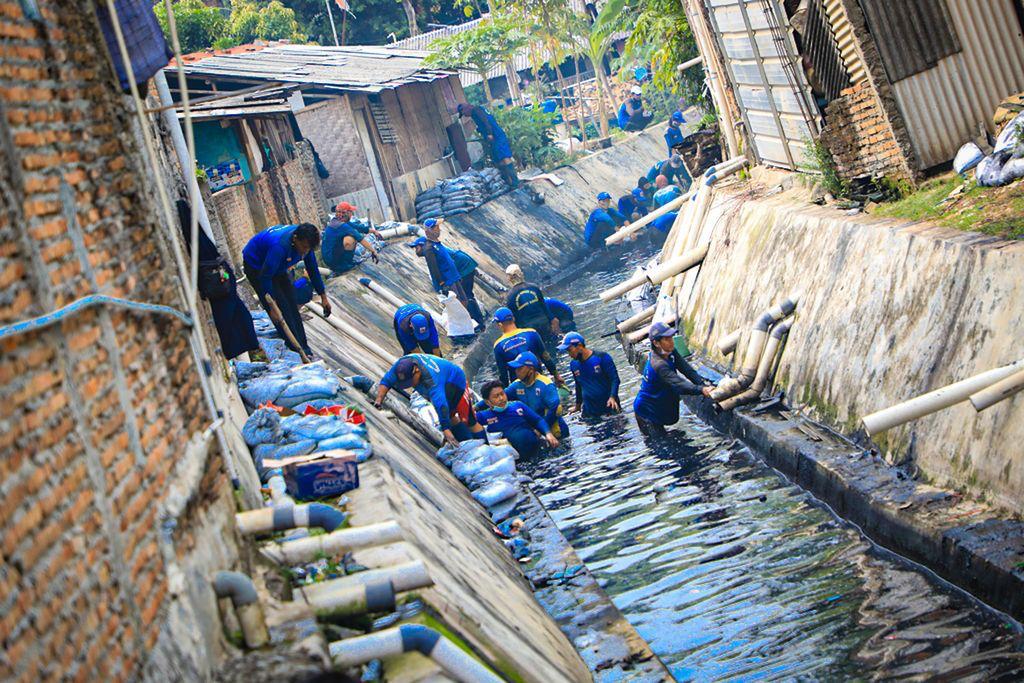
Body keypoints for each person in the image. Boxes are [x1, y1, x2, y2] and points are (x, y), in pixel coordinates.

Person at [242, 223, 327, 357]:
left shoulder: (306, 244)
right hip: (258, 266)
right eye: (304, 247)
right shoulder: (279, 247)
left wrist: (323, 297)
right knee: (282, 311)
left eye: (308, 248)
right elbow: (265, 277)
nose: (305, 251)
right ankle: (296, 350)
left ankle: (304, 348)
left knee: (291, 303)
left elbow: (313, 270)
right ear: (295, 239)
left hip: (279, 266)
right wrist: (272, 307)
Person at [375, 354, 485, 446]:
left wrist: (446, 429)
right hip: (439, 381)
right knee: (450, 415)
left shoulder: (432, 380)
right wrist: (378, 401)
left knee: (468, 420)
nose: (410, 385)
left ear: (417, 371)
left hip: (455, 382)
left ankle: (484, 447)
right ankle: (463, 442)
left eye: (411, 381)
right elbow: (386, 381)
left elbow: (441, 405)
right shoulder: (401, 365)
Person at [633, 322, 714, 435]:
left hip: (659, 405)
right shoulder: (658, 364)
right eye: (667, 339)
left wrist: (702, 384)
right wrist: (701, 390)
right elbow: (679, 384)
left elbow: (687, 369)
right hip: (647, 411)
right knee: (659, 441)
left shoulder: (670, 351)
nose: (671, 342)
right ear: (656, 343)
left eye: (671, 337)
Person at [409, 220, 485, 332]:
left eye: (416, 248)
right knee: (461, 303)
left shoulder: (435, 246)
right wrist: (442, 283)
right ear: (429, 231)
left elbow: (445, 264)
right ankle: (472, 327)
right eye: (436, 227)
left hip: (455, 276)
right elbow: (434, 268)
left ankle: (474, 325)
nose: (439, 229)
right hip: (451, 279)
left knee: (464, 301)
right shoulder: (430, 248)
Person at [477, 379, 558, 459]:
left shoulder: (518, 406)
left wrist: (548, 433)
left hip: (538, 449)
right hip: (513, 458)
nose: (501, 398)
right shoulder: (483, 417)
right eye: (496, 396)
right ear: (487, 402)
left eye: (502, 394)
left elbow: (537, 420)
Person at [492, 307, 562, 386]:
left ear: (500, 324)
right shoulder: (531, 333)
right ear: (513, 319)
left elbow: (503, 374)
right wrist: (556, 375)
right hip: (538, 380)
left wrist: (506, 390)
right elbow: (545, 357)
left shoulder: (498, 345)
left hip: (518, 386)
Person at [457, 103, 519, 189]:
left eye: (464, 113)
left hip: (497, 136)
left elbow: (485, 121)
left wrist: (489, 133)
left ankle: (515, 182)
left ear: (465, 109)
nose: (465, 116)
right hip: (494, 137)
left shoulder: (476, 110)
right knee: (499, 160)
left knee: (504, 158)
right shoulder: (476, 111)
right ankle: (508, 181)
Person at [506, 351, 568, 438]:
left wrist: (542, 430)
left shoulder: (545, 385)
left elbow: (556, 408)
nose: (516, 371)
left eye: (519, 368)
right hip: (537, 430)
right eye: (516, 368)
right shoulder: (517, 385)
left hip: (557, 432)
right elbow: (501, 396)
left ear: (531, 370)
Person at [559, 332, 621, 417]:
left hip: (609, 406)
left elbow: (615, 379)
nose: (569, 354)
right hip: (589, 410)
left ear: (579, 346)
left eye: (570, 350)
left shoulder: (601, 358)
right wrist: (577, 406)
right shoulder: (573, 365)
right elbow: (578, 386)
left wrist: (612, 397)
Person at [320, 202, 380, 274]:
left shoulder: (337, 221)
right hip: (332, 260)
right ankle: (344, 266)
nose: (352, 214)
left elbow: (358, 227)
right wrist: (373, 251)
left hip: (329, 258)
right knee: (351, 239)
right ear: (346, 213)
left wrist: (374, 231)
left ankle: (343, 264)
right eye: (351, 212)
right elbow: (360, 238)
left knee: (350, 236)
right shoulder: (342, 226)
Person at [504, 264, 555, 339]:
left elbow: (514, 319)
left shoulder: (510, 296)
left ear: (510, 278)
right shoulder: (534, 287)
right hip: (544, 323)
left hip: (528, 331)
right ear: (521, 274)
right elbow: (545, 307)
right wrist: (552, 320)